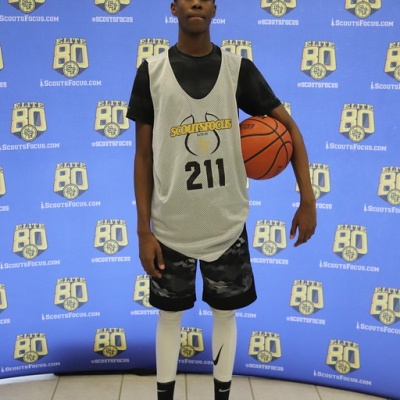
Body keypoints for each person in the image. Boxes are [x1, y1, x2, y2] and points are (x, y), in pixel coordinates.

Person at [127, 1, 317, 399]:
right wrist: (144, 230)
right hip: (170, 227)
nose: (196, 3)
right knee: (169, 317)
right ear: (173, 8)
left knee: (225, 314)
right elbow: (143, 156)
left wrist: (308, 199)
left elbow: (290, 129)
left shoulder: (237, 69)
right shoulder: (151, 72)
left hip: (226, 224)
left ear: (214, 8)